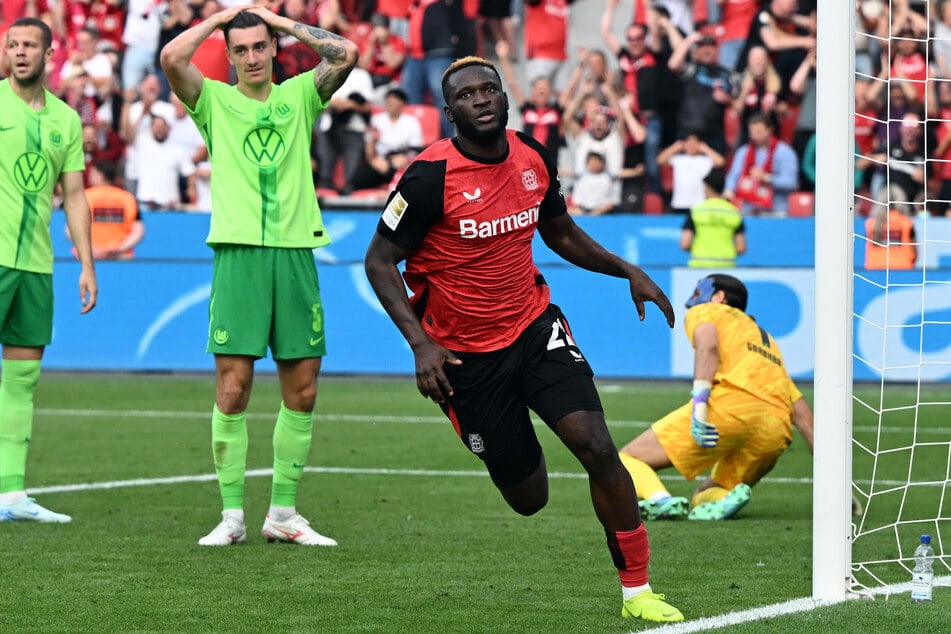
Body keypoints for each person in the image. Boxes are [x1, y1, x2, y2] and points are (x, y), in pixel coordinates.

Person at [364, 55, 683, 623]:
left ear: (506, 98)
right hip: (464, 357)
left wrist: (625, 269)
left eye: (490, 89)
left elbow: (557, 229)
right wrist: (420, 345)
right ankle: (502, 433)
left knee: (597, 445)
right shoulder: (428, 176)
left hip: (535, 327)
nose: (481, 99)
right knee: (528, 498)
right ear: (449, 111)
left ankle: (638, 590)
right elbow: (380, 261)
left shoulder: (533, 154)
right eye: (467, 95)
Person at [159, 5, 359, 546]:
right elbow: (172, 56)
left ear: (273, 50)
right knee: (234, 387)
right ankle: (232, 517)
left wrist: (279, 20)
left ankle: (283, 515)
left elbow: (347, 54)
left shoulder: (300, 94)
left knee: (304, 390)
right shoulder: (213, 101)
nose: (251, 57)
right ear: (228, 55)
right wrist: (223, 16)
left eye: (259, 46)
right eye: (240, 49)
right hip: (239, 256)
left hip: (295, 254)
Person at [0, 17, 98, 523]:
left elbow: (76, 196)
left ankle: (12, 495)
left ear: (48, 54)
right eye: (12, 44)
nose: (19, 53)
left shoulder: (65, 120)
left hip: (36, 265)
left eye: (28, 45)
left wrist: (86, 264)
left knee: (22, 378)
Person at [618, 274, 814, 521]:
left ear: (719, 297)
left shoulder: (709, 311)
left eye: (699, 292)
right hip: (775, 430)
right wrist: (836, 490)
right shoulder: (765, 341)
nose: (694, 298)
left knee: (627, 458)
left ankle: (661, 501)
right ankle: (721, 499)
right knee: (708, 491)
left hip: (731, 409)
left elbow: (707, 346)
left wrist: (700, 405)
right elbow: (806, 420)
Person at [724, 112, 799, 215]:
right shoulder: (743, 152)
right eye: (752, 132)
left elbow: (791, 183)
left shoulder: (785, 152)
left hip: (776, 210)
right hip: (748, 209)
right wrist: (729, 189)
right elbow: (733, 176)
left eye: (759, 132)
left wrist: (767, 178)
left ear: (770, 130)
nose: (755, 136)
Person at [76, 161, 145, 259]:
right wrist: (118, 249)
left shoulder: (84, 197)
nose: (89, 177)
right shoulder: (127, 198)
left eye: (92, 174)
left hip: (88, 256)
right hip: (120, 256)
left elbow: (71, 229)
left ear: (100, 175)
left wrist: (92, 248)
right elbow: (138, 231)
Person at [680, 169, 746, 268]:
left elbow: (685, 243)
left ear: (707, 188)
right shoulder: (733, 212)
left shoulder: (696, 211)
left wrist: (700, 250)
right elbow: (741, 247)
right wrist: (724, 251)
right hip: (726, 266)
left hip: (699, 265)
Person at [568, 151, 620, 216]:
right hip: (583, 211)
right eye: (591, 162)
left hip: (604, 212)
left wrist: (596, 212)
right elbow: (576, 200)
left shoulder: (609, 179)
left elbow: (613, 201)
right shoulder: (581, 179)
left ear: (602, 163)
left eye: (596, 162)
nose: (594, 165)